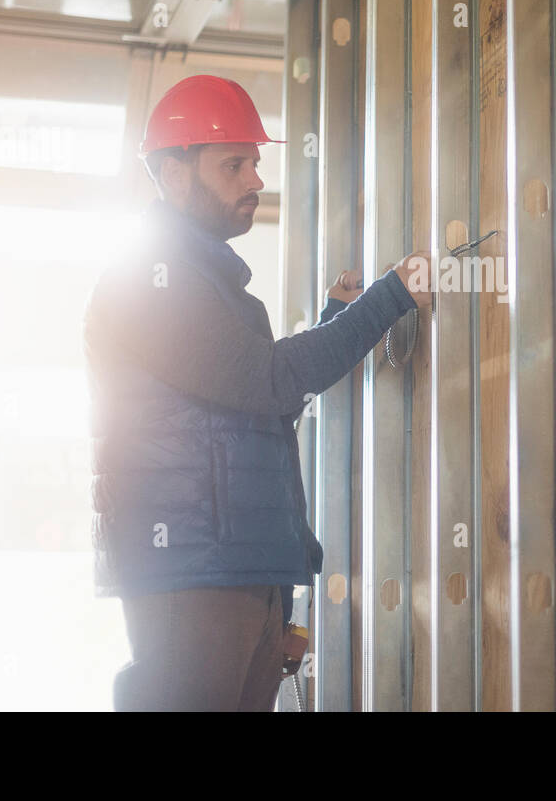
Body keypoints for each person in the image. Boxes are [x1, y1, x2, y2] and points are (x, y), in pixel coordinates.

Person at [84, 75, 431, 711]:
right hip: (191, 569)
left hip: (238, 565)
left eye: (256, 163)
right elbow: (268, 377)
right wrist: (389, 298)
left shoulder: (212, 285)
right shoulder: (150, 280)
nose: (254, 180)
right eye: (233, 165)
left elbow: (259, 401)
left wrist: (334, 322)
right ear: (173, 172)